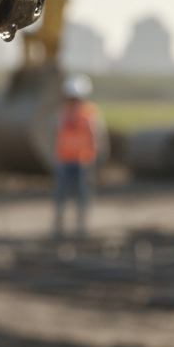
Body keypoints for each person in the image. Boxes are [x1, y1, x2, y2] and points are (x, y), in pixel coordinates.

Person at [53, 73, 104, 238]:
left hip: (83, 160)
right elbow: (54, 134)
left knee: (83, 195)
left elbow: (96, 135)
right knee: (62, 195)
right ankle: (59, 227)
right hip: (65, 159)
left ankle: (81, 227)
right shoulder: (62, 113)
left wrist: (96, 155)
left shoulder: (89, 113)